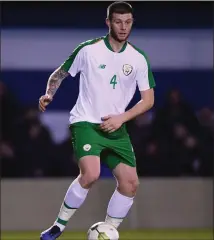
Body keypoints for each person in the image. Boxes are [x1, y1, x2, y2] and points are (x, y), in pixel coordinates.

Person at [39, 2, 155, 239]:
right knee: (90, 174)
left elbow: (148, 100)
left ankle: (108, 231)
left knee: (130, 184)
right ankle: (58, 226)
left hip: (116, 127)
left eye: (128, 22)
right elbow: (59, 73)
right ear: (108, 23)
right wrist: (49, 93)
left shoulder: (138, 58)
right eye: (118, 22)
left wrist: (122, 118)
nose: (123, 27)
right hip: (86, 122)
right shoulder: (88, 50)